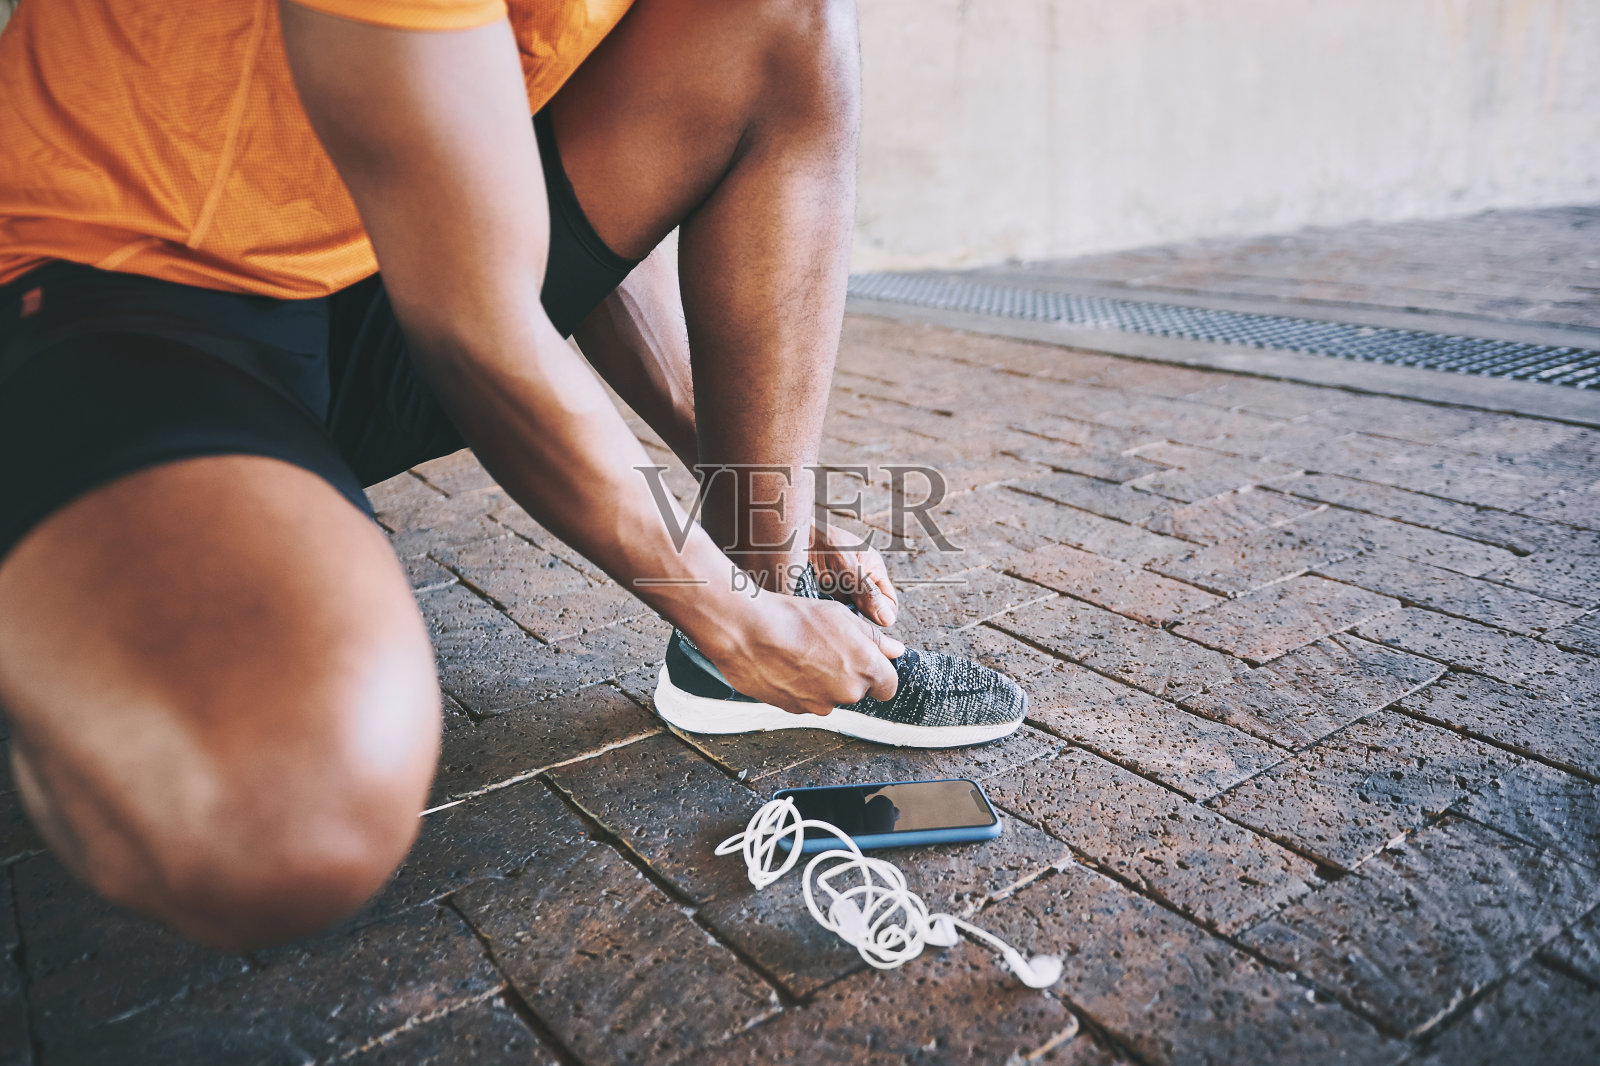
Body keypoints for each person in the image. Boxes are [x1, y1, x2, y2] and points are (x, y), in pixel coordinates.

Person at [0, 0, 1025, 950]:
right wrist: (716, 608)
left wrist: (753, 525)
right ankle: (80, 585)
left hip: (377, 258)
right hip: (120, 285)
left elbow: (511, 208)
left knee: (775, 16)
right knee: (282, 807)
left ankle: (767, 597)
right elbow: (477, 322)